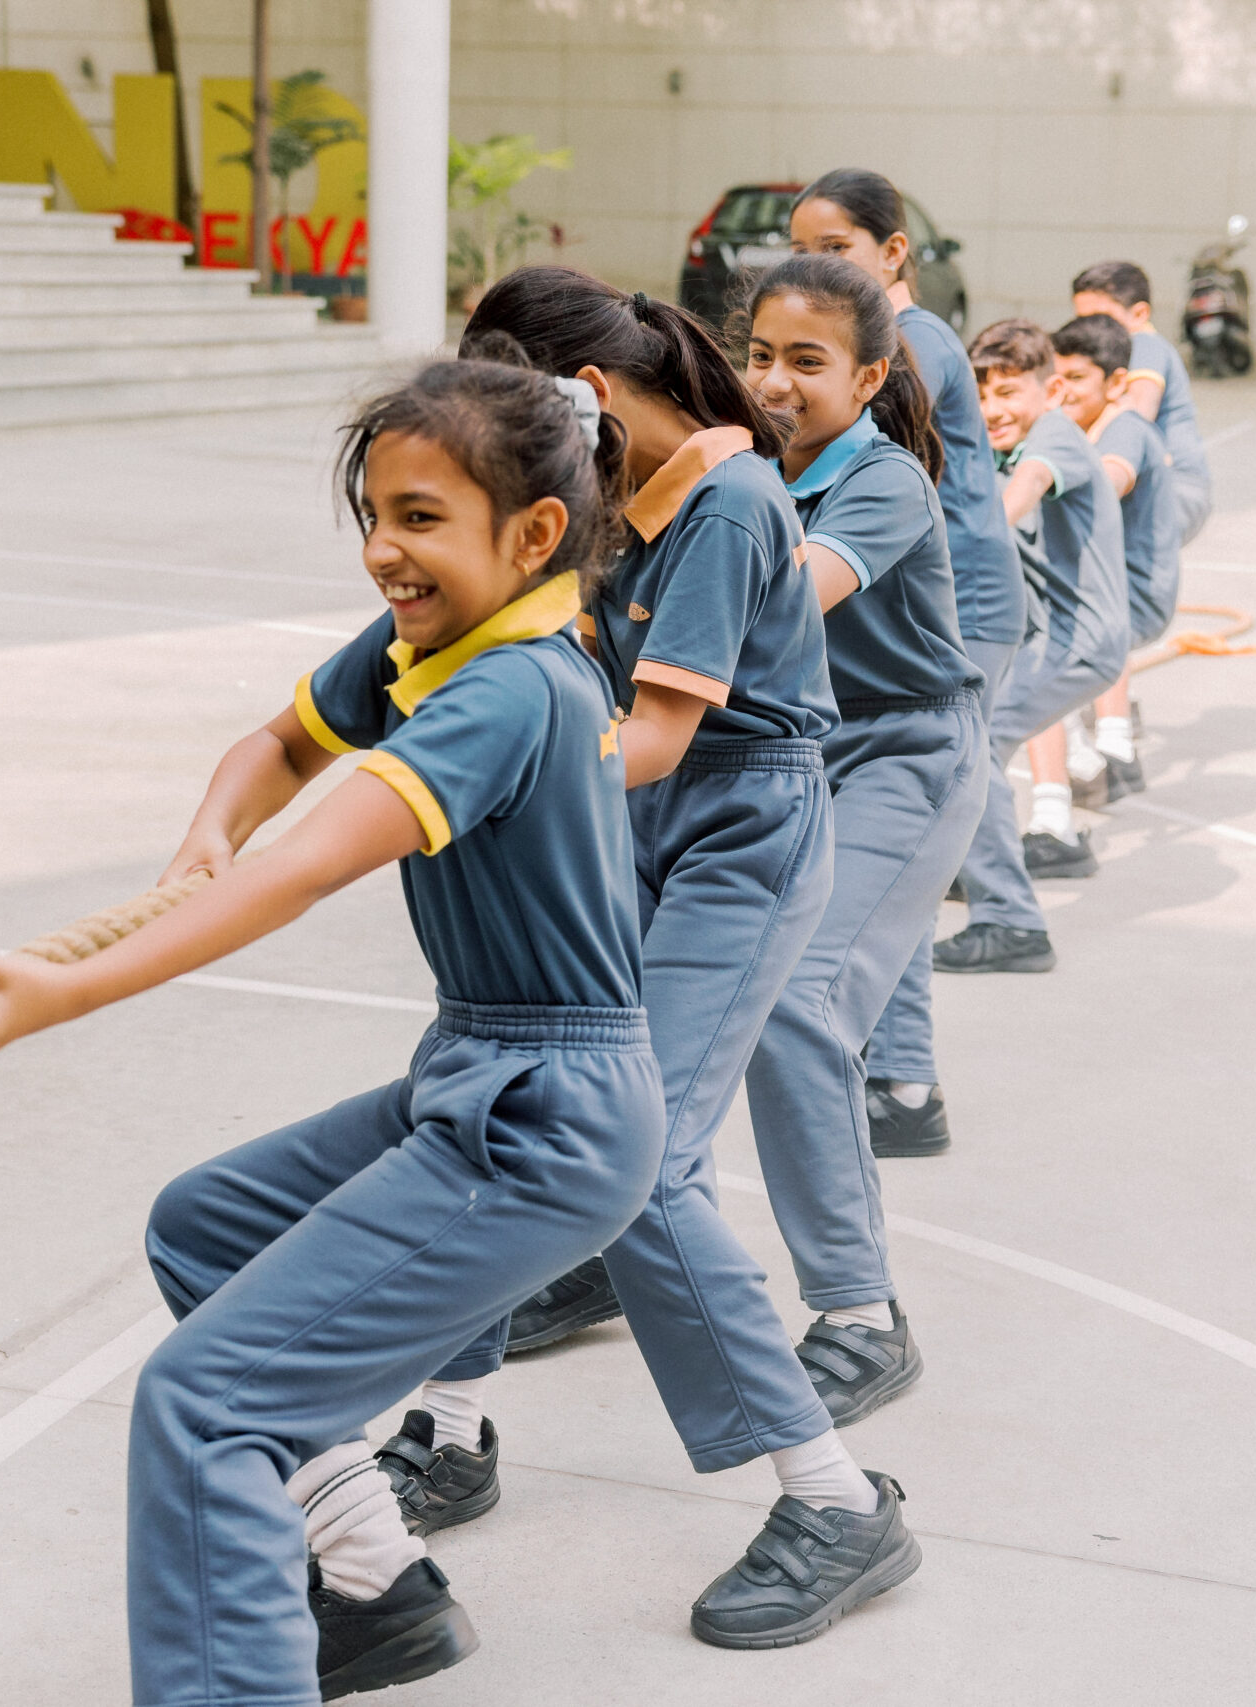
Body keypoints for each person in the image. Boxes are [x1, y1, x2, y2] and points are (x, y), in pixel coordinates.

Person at [0, 358, 664, 1703]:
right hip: (483, 1071)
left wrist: (57, 991)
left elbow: (309, 865)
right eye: (374, 513)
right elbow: (276, 750)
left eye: (421, 517)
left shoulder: (512, 689)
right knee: (205, 1224)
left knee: (207, 1405)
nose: (384, 548)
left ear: (535, 534)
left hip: (547, 1116)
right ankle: (377, 1581)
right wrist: (209, 833)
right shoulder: (431, 643)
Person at [374, 266, 919, 1652]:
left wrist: (485, 775)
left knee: (645, 1156)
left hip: (741, 831)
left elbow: (662, 737)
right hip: (633, 819)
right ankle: (450, 1427)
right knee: (504, 1099)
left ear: (586, 396)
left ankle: (836, 1499)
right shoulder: (599, 493)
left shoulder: (728, 501)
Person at [738, 253, 986, 1422]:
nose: (773, 380)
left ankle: (859, 1314)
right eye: (758, 355)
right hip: (790, 754)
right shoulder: (751, 468)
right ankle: (602, 1243)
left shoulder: (883, 481)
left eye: (806, 360)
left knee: (797, 1005)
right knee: (638, 991)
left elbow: (784, 594)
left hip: (903, 756)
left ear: (869, 376)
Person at [783, 168, 1022, 1161]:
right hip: (902, 625)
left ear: (892, 253)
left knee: (907, 850)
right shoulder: (864, 348)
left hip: (956, 619)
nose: (813, 268)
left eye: (834, 249)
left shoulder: (909, 344)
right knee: (892, 872)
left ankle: (907, 1071)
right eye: (799, 251)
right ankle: (903, 1078)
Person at [927, 318, 1132, 982]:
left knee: (977, 745)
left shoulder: (1055, 438)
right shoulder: (1006, 444)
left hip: (1081, 642)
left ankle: (1012, 919)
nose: (993, 409)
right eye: (982, 394)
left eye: (1009, 391)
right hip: (1047, 638)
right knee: (972, 743)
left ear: (1052, 391)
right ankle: (980, 867)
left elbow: (1014, 501)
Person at [1052, 312, 1180, 800]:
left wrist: (1040, 481)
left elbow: (1112, 479)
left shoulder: (1124, 428)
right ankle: (1111, 750)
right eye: (1056, 378)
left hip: (1133, 596)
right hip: (1114, 590)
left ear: (1116, 382)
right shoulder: (1087, 425)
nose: (1063, 391)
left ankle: (1082, 765)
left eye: (1076, 378)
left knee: (1036, 643)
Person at [1072, 259, 1213, 546]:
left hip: (1174, 488)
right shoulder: (1106, 351)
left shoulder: (1144, 344)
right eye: (1082, 321)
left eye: (1101, 320)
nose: (1091, 331)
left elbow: (1137, 411)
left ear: (1139, 314)